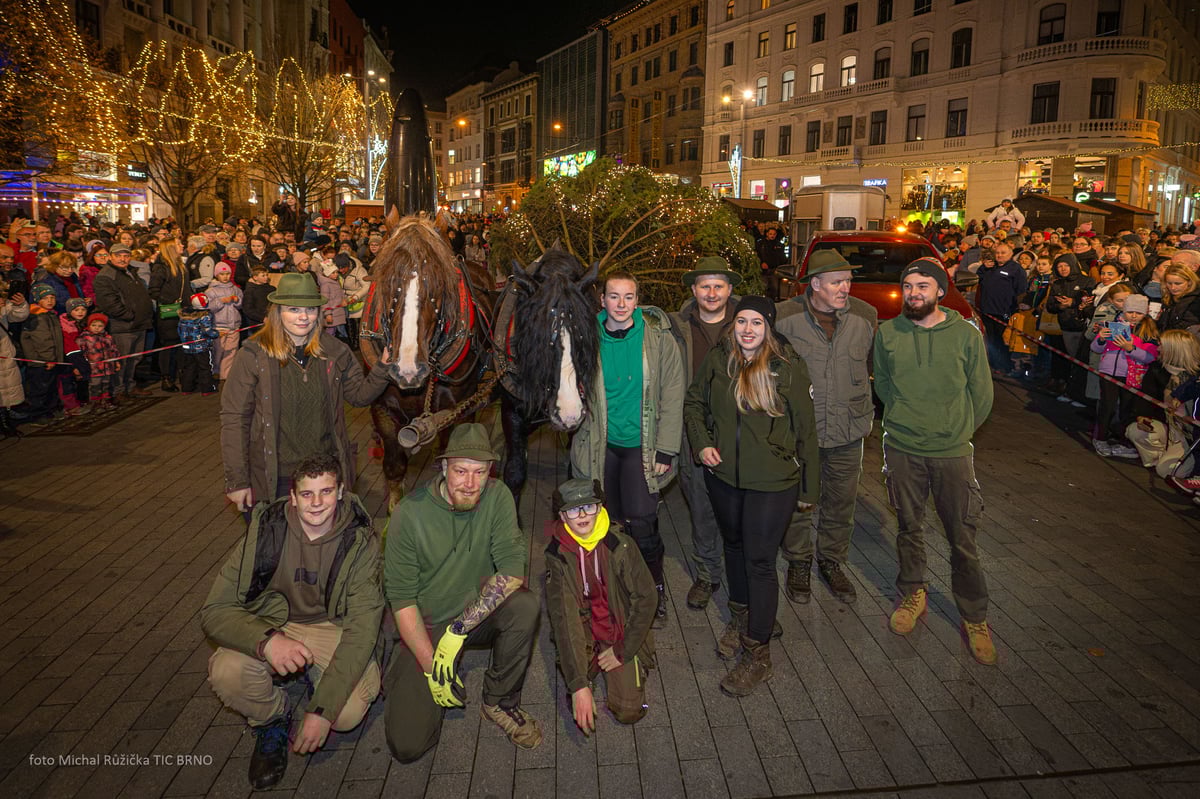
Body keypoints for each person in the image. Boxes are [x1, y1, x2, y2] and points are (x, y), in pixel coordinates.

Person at [201, 454, 384, 791]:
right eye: (308, 494)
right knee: (227, 671)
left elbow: (362, 631)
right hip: (275, 623)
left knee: (345, 715)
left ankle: (318, 681)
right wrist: (268, 640)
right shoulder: (267, 531)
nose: (317, 503)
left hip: (333, 627)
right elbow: (214, 610)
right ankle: (272, 717)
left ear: (341, 491)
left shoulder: (360, 540)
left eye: (326, 492)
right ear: (294, 495)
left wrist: (322, 711)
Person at [683, 296, 818, 695]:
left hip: (773, 482)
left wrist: (809, 491)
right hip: (723, 477)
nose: (747, 330)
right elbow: (694, 404)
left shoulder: (787, 367)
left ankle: (758, 654)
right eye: (741, 321)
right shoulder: (719, 359)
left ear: (769, 328)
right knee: (735, 548)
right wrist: (702, 443)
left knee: (759, 561)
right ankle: (743, 618)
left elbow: (808, 432)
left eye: (756, 322)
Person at [383, 424, 543, 761]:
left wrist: (460, 629)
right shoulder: (409, 515)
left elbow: (513, 570)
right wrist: (431, 665)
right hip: (427, 623)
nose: (470, 483)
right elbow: (401, 600)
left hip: (473, 616)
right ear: (443, 467)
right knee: (407, 745)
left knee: (526, 606)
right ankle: (403, 673)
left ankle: (498, 701)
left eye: (479, 472)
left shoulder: (497, 496)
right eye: (460, 471)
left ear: (489, 472)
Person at [874, 258, 997, 665]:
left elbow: (982, 395)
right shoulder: (888, 333)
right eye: (908, 286)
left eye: (923, 286)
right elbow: (886, 387)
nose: (914, 293)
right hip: (904, 447)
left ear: (940, 291)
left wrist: (955, 430)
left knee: (962, 538)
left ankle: (974, 616)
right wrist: (908, 421)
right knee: (908, 528)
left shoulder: (965, 335)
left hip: (952, 452)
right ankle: (913, 593)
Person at [220, 273, 392, 511]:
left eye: (310, 310)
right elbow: (234, 418)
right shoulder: (253, 355)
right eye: (293, 309)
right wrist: (237, 481)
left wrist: (382, 368)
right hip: (275, 477)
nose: (303, 317)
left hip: (325, 477)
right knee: (276, 546)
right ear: (278, 312)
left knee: (325, 546)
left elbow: (359, 396)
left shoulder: (335, 351)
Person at [570, 270, 684, 624]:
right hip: (600, 445)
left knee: (643, 523)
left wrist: (665, 449)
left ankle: (653, 592)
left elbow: (672, 394)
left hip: (642, 445)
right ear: (602, 300)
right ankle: (615, 591)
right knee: (608, 522)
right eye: (614, 296)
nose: (621, 304)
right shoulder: (586, 337)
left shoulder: (658, 338)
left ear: (638, 300)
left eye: (629, 296)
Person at [776, 249, 877, 604]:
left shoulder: (866, 317)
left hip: (848, 432)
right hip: (802, 434)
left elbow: (868, 367)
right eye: (837, 282)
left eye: (848, 281)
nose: (845, 288)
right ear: (815, 284)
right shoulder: (784, 318)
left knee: (841, 504)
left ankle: (832, 561)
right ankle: (798, 563)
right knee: (802, 503)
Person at [544, 478, 657, 733]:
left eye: (589, 506)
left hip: (619, 630)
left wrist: (623, 650)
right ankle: (585, 672)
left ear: (600, 508)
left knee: (628, 711)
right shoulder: (557, 555)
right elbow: (564, 619)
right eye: (573, 509)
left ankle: (629, 663)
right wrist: (578, 684)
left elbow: (647, 599)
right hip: (584, 630)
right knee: (577, 686)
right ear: (562, 516)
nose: (582, 514)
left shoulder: (621, 545)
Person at [667, 256, 741, 610]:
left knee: (742, 507)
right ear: (693, 290)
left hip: (741, 430)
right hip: (693, 429)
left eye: (719, 286)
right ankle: (708, 573)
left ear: (730, 289)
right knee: (701, 506)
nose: (711, 293)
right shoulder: (674, 327)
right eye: (704, 286)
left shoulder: (748, 323)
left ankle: (742, 573)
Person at [1090, 293, 1159, 459]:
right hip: (1108, 372)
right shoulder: (1114, 325)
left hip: (1132, 375)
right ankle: (1100, 438)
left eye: (1139, 313)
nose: (1134, 316)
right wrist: (1100, 339)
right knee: (1107, 406)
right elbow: (1096, 348)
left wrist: (1130, 348)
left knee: (1127, 409)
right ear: (1124, 310)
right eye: (1130, 312)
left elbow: (1151, 356)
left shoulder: (1148, 331)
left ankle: (1125, 442)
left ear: (1145, 313)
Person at [1127, 330, 1200, 478]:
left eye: (1161, 345)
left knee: (1167, 471)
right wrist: (1143, 416)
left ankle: (1172, 465)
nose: (1157, 348)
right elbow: (1146, 398)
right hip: (1168, 428)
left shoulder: (1195, 378)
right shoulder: (1157, 368)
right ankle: (1162, 460)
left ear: (1175, 350)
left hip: (1188, 435)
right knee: (1135, 431)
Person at [92, 242, 154, 398]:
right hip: (123, 326)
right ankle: (118, 390)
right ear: (110, 257)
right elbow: (109, 302)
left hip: (139, 324)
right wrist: (128, 315)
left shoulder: (131, 272)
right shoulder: (106, 276)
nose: (122, 259)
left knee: (135, 358)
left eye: (126, 256)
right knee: (122, 360)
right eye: (118, 256)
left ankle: (130, 386)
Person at [976, 241, 1029, 373]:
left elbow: (1021, 290)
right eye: (997, 253)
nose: (999, 255)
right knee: (992, 340)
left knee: (1004, 340)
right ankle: (993, 365)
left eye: (1003, 253)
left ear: (1010, 254)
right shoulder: (990, 267)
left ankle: (1005, 366)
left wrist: (1016, 309)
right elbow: (980, 277)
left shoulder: (1016, 269)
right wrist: (983, 267)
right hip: (988, 311)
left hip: (1005, 312)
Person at [206, 263, 244, 382]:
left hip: (234, 325)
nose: (225, 276)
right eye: (222, 274)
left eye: (227, 274)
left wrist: (237, 301)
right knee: (218, 350)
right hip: (219, 326)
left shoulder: (235, 289)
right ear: (217, 275)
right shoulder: (211, 291)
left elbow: (241, 305)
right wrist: (221, 301)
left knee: (231, 351)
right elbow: (208, 307)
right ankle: (215, 370)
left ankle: (226, 374)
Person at [77, 312, 121, 411]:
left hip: (107, 368)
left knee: (106, 385)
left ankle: (105, 401)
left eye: (100, 326)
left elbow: (114, 350)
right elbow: (81, 353)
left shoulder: (107, 338)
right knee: (95, 386)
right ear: (89, 325)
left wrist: (116, 362)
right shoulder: (84, 338)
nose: (97, 328)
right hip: (94, 369)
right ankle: (95, 403)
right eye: (94, 325)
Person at [0, 281, 28, 436]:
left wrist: (20, 304)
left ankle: (5, 420)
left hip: (4, 350)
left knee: (6, 389)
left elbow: (18, 316)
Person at [1158, 264, 1200, 332]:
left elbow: (1190, 324)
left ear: (1189, 282)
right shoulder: (1168, 298)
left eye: (1178, 283)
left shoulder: (1196, 300)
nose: (1173, 287)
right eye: (1169, 283)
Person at [756, 227, 788, 301]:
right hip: (763, 270)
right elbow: (757, 255)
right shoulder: (761, 244)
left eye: (774, 234)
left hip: (775, 270)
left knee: (774, 288)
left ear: (776, 234)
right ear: (767, 234)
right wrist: (761, 263)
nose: (772, 236)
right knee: (764, 288)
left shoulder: (779, 245)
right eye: (770, 234)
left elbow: (782, 258)